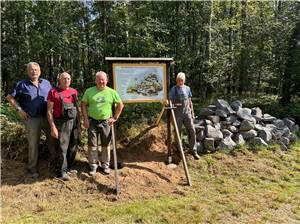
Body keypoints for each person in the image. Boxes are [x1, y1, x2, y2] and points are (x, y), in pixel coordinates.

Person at [6, 62, 55, 178]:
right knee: (33, 144)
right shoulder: (22, 84)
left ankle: (54, 163)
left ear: (40, 71)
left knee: (52, 140)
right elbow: (9, 97)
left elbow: (54, 96)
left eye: (36, 69)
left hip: (47, 117)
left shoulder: (47, 83)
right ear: (28, 72)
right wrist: (19, 109)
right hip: (31, 119)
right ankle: (32, 168)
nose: (34, 71)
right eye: (32, 70)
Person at [81, 71, 124, 176]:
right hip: (92, 121)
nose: (101, 81)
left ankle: (105, 165)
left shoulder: (112, 92)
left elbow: (120, 105)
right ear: (95, 80)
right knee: (92, 145)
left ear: (107, 80)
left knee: (106, 144)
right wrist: (85, 119)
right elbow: (83, 105)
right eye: (99, 79)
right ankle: (93, 165)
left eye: (103, 79)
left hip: (106, 122)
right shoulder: (89, 91)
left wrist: (115, 118)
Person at [47, 72, 80, 181]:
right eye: (64, 78)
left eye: (68, 78)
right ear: (59, 80)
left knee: (73, 146)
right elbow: (49, 111)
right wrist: (53, 127)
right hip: (61, 123)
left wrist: (79, 124)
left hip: (74, 122)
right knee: (62, 148)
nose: (66, 80)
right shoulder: (53, 92)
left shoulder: (74, 91)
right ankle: (61, 171)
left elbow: (77, 108)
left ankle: (68, 168)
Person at [170, 72, 200, 160]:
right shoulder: (174, 89)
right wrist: (172, 114)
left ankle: (193, 150)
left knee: (192, 130)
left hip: (187, 113)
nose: (180, 82)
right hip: (177, 114)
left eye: (182, 80)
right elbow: (170, 101)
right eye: (179, 80)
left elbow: (190, 102)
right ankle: (179, 151)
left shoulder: (187, 89)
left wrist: (192, 113)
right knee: (178, 133)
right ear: (177, 80)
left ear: (184, 80)